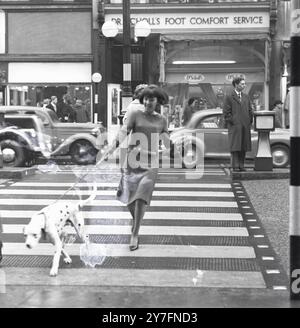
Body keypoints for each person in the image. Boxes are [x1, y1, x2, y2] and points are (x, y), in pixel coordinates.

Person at [105, 85, 171, 251]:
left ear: (158, 101)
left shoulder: (162, 120)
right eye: (147, 99)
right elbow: (123, 132)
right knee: (128, 199)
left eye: (152, 99)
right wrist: (111, 149)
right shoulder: (135, 114)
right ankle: (137, 221)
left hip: (151, 164)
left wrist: (165, 149)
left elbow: (166, 141)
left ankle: (135, 233)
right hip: (133, 160)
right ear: (143, 100)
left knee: (141, 197)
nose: (149, 102)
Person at [223, 77, 253, 172]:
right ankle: (235, 166)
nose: (244, 85)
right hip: (235, 126)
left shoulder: (246, 97)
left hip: (245, 125)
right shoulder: (229, 97)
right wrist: (233, 121)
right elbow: (226, 113)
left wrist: (249, 121)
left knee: (243, 146)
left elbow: (250, 110)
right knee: (235, 147)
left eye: (244, 84)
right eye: (242, 84)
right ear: (236, 85)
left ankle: (241, 165)